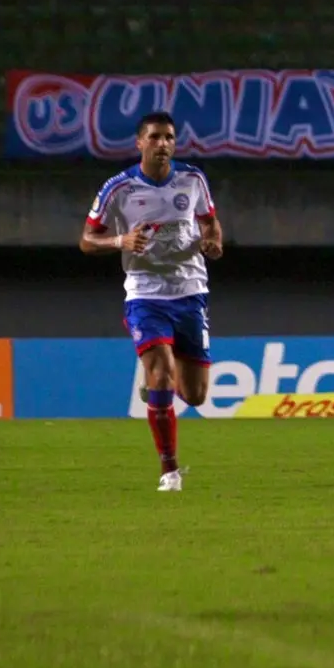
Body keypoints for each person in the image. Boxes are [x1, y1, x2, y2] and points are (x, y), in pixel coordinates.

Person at [80, 111, 223, 491]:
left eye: (170, 137)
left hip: (191, 292)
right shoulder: (118, 188)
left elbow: (209, 221)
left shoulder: (192, 179)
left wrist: (214, 240)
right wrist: (119, 241)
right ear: (140, 143)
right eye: (156, 137)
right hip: (145, 293)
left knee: (194, 395)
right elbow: (86, 239)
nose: (163, 144)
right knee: (161, 374)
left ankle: (158, 384)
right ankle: (170, 471)